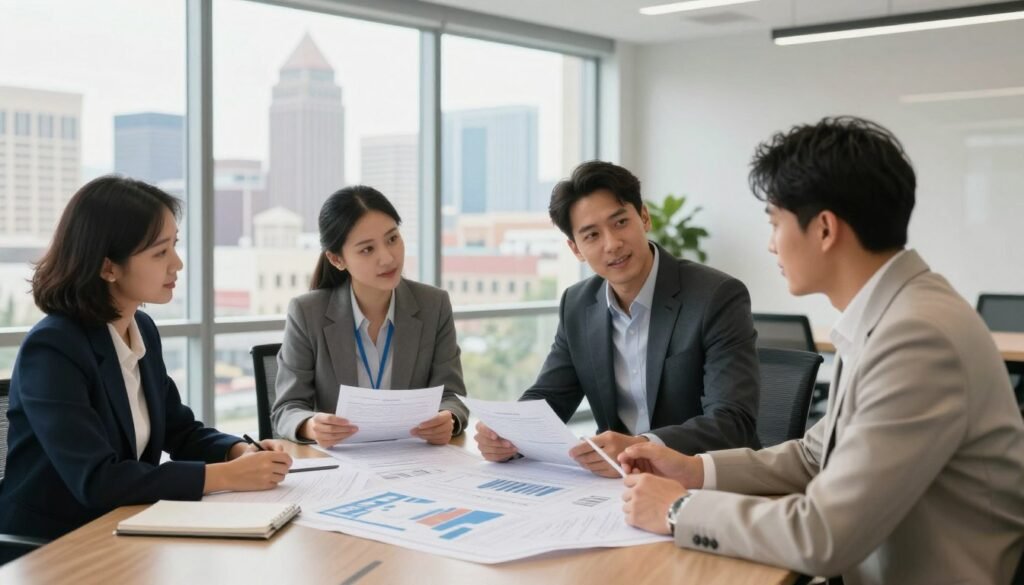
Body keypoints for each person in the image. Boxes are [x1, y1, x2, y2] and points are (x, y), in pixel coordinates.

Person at [619, 117, 1024, 584]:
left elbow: (824, 535)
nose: (771, 245)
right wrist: (694, 470)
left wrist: (678, 509)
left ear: (825, 229)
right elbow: (817, 455)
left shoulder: (916, 335)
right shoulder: (891, 313)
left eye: (775, 223)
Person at [0, 176, 293, 554]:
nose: (178, 264)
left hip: (125, 528)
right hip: (51, 546)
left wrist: (238, 451)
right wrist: (223, 476)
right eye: (160, 253)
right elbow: (97, 479)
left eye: (175, 246)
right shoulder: (54, 347)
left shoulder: (141, 329)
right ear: (109, 268)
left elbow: (180, 429)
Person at [475, 161, 761, 477]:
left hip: (702, 480)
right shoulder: (577, 303)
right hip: (618, 485)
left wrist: (640, 445)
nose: (612, 244)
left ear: (644, 217)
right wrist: (508, 434)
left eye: (621, 222)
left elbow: (733, 422)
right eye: (592, 235)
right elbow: (551, 397)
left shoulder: (715, 296)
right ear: (576, 249)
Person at [272, 185, 468, 446]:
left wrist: (449, 418)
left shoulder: (434, 305)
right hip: (343, 464)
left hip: (413, 459)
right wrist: (310, 426)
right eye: (367, 249)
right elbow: (287, 408)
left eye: (392, 239)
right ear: (337, 259)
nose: (387, 258)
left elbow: (452, 395)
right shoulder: (307, 313)